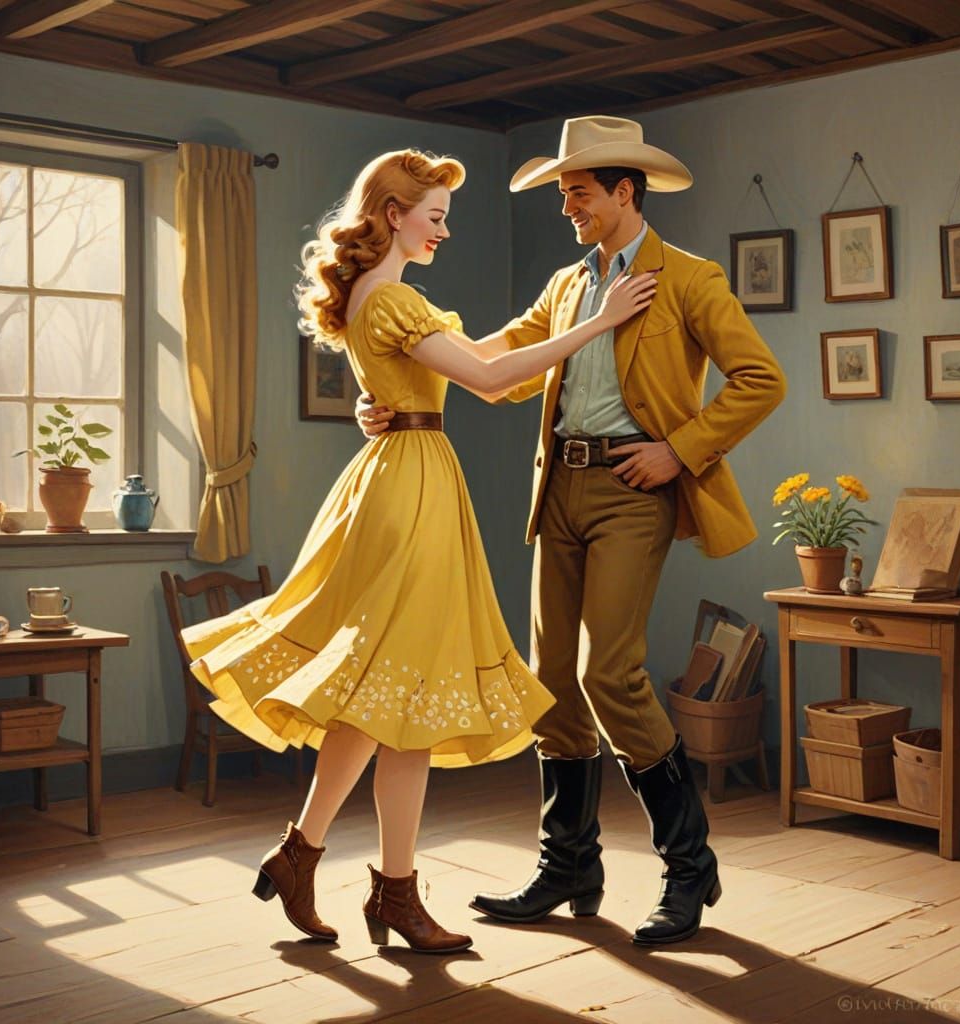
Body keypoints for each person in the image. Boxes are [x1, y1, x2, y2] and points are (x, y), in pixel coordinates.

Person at [179, 148, 657, 955]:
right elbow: (491, 375)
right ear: (394, 215)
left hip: (399, 476)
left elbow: (468, 381)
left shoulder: (381, 299)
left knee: (387, 696)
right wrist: (599, 321)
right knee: (401, 689)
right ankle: (386, 890)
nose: (444, 231)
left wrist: (388, 407)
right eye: (434, 217)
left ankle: (314, 858)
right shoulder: (396, 301)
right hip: (410, 494)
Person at [357, 117, 786, 946]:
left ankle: (689, 867)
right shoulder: (565, 286)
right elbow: (484, 367)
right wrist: (390, 402)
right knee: (552, 678)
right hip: (559, 488)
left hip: (634, 487)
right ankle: (570, 867)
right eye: (562, 195)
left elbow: (761, 378)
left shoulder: (690, 279)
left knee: (610, 673)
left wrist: (679, 450)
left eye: (578, 194)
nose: (567, 208)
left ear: (625, 192)